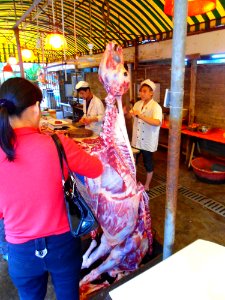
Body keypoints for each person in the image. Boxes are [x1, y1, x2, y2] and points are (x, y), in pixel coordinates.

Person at [0, 77, 103, 300]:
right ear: (35, 108)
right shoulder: (57, 144)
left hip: (20, 251)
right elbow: (95, 169)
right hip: (62, 246)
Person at [126, 79, 162, 191]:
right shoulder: (137, 104)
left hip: (147, 140)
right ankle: (133, 181)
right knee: (133, 161)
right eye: (141, 91)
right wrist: (126, 113)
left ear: (151, 93)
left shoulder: (156, 107)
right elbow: (129, 116)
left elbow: (157, 122)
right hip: (136, 140)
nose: (141, 93)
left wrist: (140, 116)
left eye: (145, 91)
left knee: (148, 163)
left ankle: (147, 185)